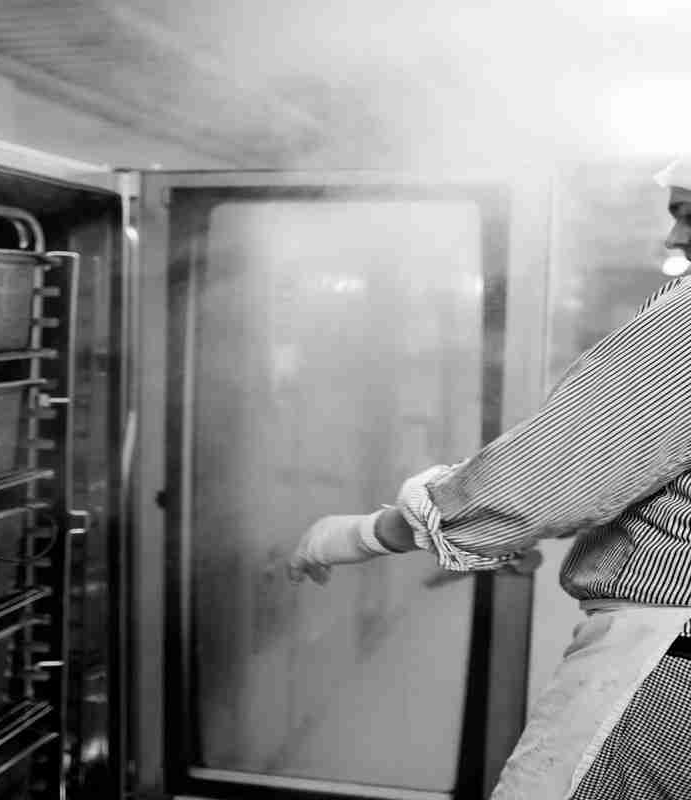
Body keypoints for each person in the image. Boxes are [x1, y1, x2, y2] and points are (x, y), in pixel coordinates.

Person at [287, 157, 691, 800]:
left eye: (687, 215)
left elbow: (552, 472)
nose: (674, 238)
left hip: (665, 663)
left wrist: (364, 534)